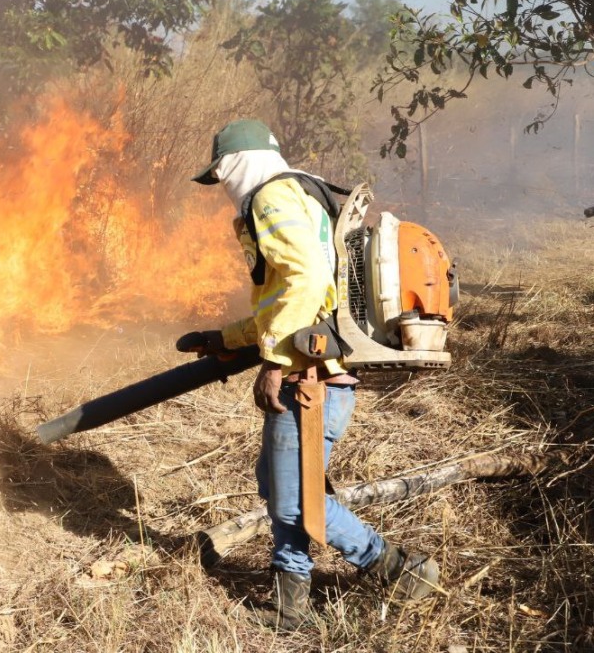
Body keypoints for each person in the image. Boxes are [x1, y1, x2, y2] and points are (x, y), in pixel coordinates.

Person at [182, 119, 439, 631]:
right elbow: (289, 301)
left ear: (239, 161)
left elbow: (307, 279)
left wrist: (276, 363)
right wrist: (225, 339)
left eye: (222, 171)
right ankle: (290, 600)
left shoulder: (269, 198)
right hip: (324, 373)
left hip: (308, 380)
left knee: (296, 500)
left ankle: (400, 568)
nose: (224, 185)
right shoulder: (303, 192)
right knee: (282, 488)